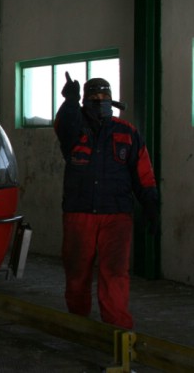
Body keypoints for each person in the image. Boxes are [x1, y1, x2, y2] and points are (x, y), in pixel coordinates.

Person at [54, 73, 159, 329]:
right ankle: (79, 323)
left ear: (112, 101)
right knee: (77, 272)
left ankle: (117, 330)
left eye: (104, 97)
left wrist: (152, 208)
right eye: (93, 97)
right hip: (79, 214)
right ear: (85, 101)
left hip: (117, 216)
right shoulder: (74, 129)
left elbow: (143, 174)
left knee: (114, 273)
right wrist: (69, 100)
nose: (99, 101)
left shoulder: (128, 133)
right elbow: (63, 125)